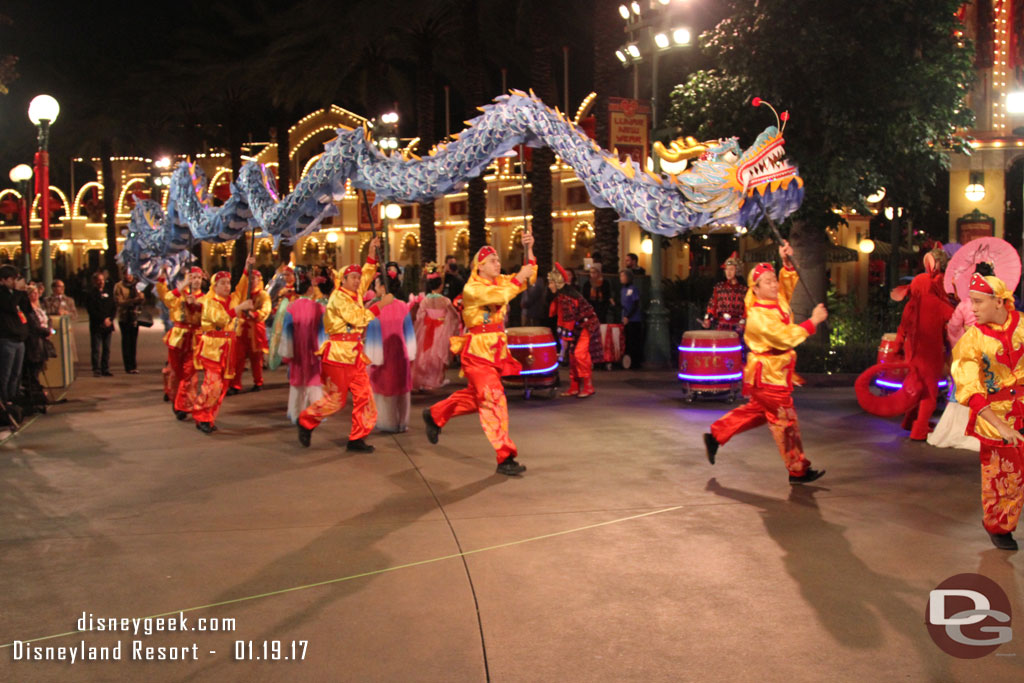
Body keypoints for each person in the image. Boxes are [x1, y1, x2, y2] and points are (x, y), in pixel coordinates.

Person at [703, 241, 829, 484]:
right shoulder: (759, 316)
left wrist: (786, 262)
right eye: (768, 281)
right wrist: (812, 322)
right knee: (785, 420)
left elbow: (789, 285)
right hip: (768, 376)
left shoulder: (776, 300)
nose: (774, 284)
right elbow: (783, 337)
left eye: (774, 279)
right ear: (756, 288)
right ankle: (797, 469)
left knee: (758, 412)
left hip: (775, 373)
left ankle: (716, 435)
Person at [422, 234, 537, 476]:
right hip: (477, 354)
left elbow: (528, 277)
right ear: (480, 266)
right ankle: (505, 455)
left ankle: (435, 414)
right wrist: (520, 278)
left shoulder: (500, 280)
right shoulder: (472, 288)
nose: (498, 264)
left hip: (495, 352)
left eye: (498, 260)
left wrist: (529, 250)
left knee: (478, 399)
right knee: (494, 399)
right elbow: (502, 296)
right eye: (493, 260)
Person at [950, 272, 1024, 550]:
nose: (973, 308)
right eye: (972, 302)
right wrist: (1000, 425)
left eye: (979, 302)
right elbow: (969, 386)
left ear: (1000, 301)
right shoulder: (972, 340)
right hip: (996, 418)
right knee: (1003, 478)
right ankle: (999, 526)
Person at [297, 237, 381, 451]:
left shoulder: (355, 293)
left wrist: (371, 253)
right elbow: (357, 318)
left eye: (357, 277)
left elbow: (368, 275)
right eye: (352, 277)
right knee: (335, 400)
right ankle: (306, 421)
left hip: (355, 354)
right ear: (342, 280)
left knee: (366, 397)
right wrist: (380, 306)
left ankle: (357, 438)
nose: (356, 280)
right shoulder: (339, 298)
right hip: (338, 355)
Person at [192, 259, 256, 434]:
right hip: (212, 348)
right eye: (222, 283)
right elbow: (220, 319)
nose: (227, 286)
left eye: (228, 283)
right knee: (212, 385)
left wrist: (247, 267)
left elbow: (243, 286)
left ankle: (209, 416)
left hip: (228, 349)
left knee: (222, 387)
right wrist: (239, 308)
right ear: (215, 285)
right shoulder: (209, 301)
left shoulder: (233, 298)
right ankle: (202, 415)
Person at [366, 276, 416, 432]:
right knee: (401, 390)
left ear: (383, 288)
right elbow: (409, 333)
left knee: (385, 390)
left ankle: (388, 423)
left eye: (376, 285)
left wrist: (372, 358)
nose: (375, 288)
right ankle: (402, 422)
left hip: (383, 354)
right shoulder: (403, 306)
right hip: (401, 354)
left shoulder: (375, 309)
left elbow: (372, 338)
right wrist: (410, 353)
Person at [156, 265, 205, 420]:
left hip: (195, 339)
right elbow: (167, 299)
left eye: (198, 278)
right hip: (178, 338)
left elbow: (211, 315)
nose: (196, 281)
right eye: (192, 278)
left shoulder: (206, 297)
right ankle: (175, 397)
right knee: (175, 372)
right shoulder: (180, 294)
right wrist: (182, 287)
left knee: (190, 373)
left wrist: (198, 305)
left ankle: (183, 405)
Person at [549, 262, 603, 397]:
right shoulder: (562, 296)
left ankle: (588, 386)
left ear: (557, 283)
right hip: (577, 325)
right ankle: (574, 386)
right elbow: (562, 318)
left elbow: (568, 320)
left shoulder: (567, 297)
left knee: (579, 354)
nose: (549, 286)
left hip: (586, 325)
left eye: (550, 283)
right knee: (573, 355)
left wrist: (565, 341)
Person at [279, 270, 325, 423]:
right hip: (314, 351)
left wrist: (287, 353)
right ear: (310, 289)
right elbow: (323, 332)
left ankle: (295, 413)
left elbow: (287, 333)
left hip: (297, 351)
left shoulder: (291, 308)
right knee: (315, 383)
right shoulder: (319, 308)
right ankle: (316, 413)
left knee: (297, 383)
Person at [411, 264, 460, 391]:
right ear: (440, 285)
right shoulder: (445, 300)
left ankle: (424, 379)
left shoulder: (425, 300)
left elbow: (420, 315)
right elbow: (454, 315)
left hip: (426, 328)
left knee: (425, 355)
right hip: (441, 328)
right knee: (438, 355)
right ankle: (436, 379)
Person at [228, 268, 271, 394]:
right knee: (238, 358)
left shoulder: (263, 295)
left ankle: (258, 381)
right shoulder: (242, 294)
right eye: (250, 279)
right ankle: (235, 384)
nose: (252, 281)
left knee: (256, 358)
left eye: (255, 278)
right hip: (242, 328)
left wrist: (254, 314)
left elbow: (266, 310)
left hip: (255, 329)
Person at [0, 265, 29, 422]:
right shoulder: (3, 294)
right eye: (11, 279)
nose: (14, 282)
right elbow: (10, 307)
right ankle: (5, 401)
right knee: (6, 373)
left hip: (19, 339)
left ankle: (13, 398)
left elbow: (26, 309)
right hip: (7, 339)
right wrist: (17, 292)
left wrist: (24, 292)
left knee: (16, 373)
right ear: (3, 280)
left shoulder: (15, 294)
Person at [702, 252, 746, 334]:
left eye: (731, 269)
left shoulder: (744, 290)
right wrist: (707, 319)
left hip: (737, 326)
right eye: (726, 269)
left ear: (737, 270)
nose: (728, 272)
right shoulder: (719, 288)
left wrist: (743, 323)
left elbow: (747, 309)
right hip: (721, 325)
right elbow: (712, 305)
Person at [23, 282, 52, 404]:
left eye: (36, 293)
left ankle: (38, 392)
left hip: (43, 340)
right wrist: (46, 331)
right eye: (32, 293)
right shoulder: (28, 310)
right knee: (34, 368)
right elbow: (33, 326)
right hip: (34, 341)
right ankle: (34, 392)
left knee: (40, 366)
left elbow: (48, 319)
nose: (35, 295)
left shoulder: (40, 307)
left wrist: (50, 329)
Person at [86, 272, 116, 377]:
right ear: (94, 281)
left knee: (106, 348)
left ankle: (105, 368)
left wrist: (110, 319)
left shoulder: (108, 292)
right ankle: (96, 369)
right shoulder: (90, 294)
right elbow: (91, 310)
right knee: (96, 348)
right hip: (97, 325)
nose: (101, 282)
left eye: (102, 280)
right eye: (99, 280)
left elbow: (113, 307)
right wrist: (102, 319)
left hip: (108, 325)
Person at [114, 271, 145, 374]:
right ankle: (128, 365)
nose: (128, 276)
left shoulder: (137, 285)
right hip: (124, 316)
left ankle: (134, 365)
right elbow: (119, 302)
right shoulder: (119, 286)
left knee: (133, 342)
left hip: (135, 316)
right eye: (126, 274)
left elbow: (142, 297)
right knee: (126, 341)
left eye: (130, 274)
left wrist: (141, 298)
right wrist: (133, 300)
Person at [620, 269, 644, 368]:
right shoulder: (622, 290)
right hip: (625, 318)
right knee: (627, 341)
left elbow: (635, 304)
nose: (621, 278)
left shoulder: (633, 289)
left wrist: (628, 316)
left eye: (623, 276)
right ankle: (628, 362)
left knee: (634, 341)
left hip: (634, 319)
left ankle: (636, 362)